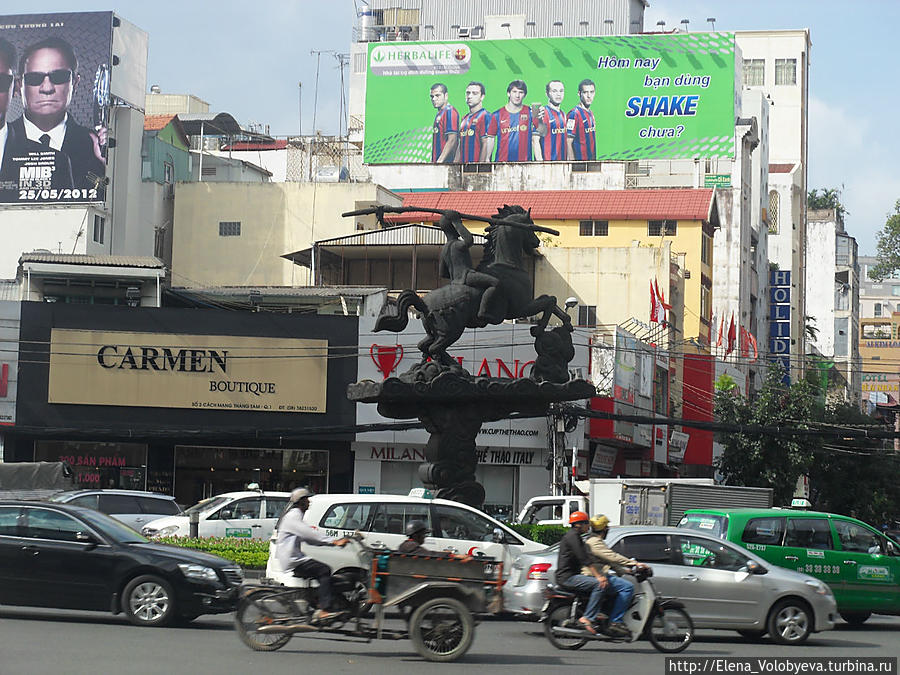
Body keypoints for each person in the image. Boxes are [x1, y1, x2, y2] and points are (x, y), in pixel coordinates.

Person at [11, 37, 106, 192]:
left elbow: (106, 194)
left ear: (75, 83)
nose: (47, 88)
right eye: (35, 78)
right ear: (19, 84)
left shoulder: (92, 146)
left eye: (58, 77)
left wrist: (105, 164)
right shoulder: (3, 140)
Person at [274, 488, 350, 622]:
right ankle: (324, 609)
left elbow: (309, 539)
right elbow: (309, 533)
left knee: (321, 571)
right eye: (307, 500)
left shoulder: (295, 515)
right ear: (301, 502)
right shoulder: (294, 515)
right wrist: (333, 541)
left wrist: (331, 543)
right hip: (293, 560)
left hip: (293, 557)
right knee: (324, 570)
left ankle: (316, 601)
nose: (309, 502)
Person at [583, 514, 647, 636]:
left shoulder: (595, 541)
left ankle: (606, 614)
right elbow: (612, 557)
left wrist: (625, 571)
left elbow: (608, 561)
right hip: (593, 576)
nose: (608, 529)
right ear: (603, 529)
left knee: (619, 585)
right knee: (627, 587)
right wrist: (634, 563)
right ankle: (615, 621)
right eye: (606, 527)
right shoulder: (595, 542)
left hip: (596, 574)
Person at [437, 210, 500, 324]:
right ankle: (483, 311)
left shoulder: (444, 249)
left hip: (455, 281)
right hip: (467, 276)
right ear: (454, 228)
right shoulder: (457, 244)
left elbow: (443, 273)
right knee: (495, 282)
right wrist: (457, 222)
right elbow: (469, 240)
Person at [555, 511, 608, 634]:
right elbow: (584, 558)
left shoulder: (575, 536)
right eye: (586, 524)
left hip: (570, 575)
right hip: (568, 577)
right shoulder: (573, 537)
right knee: (599, 585)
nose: (588, 527)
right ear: (579, 524)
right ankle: (588, 617)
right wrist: (598, 576)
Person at [484, 80, 535, 162]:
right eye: (514, 92)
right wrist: (487, 159)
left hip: (525, 164)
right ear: (508, 93)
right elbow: (491, 138)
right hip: (502, 164)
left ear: (524, 95)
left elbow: (541, 132)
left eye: (521, 92)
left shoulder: (530, 112)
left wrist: (539, 117)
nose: (517, 95)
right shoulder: (496, 115)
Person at [397, 519, 472, 561]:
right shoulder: (411, 547)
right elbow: (430, 555)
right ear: (416, 536)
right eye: (423, 534)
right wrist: (453, 555)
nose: (425, 537)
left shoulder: (407, 545)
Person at [457, 81, 490, 163]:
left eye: (474, 93)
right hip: (462, 169)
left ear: (482, 97)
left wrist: (480, 168)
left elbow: (486, 144)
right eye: (468, 93)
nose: (469, 96)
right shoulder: (464, 119)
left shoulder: (486, 116)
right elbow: (459, 146)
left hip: (476, 170)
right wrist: (455, 167)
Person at [536, 80, 567, 161]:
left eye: (561, 91)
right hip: (548, 166)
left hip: (563, 165)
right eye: (554, 91)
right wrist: (541, 166)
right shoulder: (542, 113)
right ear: (547, 94)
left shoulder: (563, 114)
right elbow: (535, 141)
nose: (558, 94)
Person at [566, 79, 597, 161]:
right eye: (585, 92)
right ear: (579, 93)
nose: (589, 96)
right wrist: (572, 165)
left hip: (591, 163)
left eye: (591, 92)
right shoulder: (574, 114)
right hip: (579, 165)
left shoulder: (591, 113)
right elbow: (568, 142)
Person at [429, 83, 459, 163]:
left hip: (446, 165)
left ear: (446, 96)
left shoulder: (450, 112)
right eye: (432, 96)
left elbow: (452, 139)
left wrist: (440, 161)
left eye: (437, 95)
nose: (434, 99)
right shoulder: (440, 113)